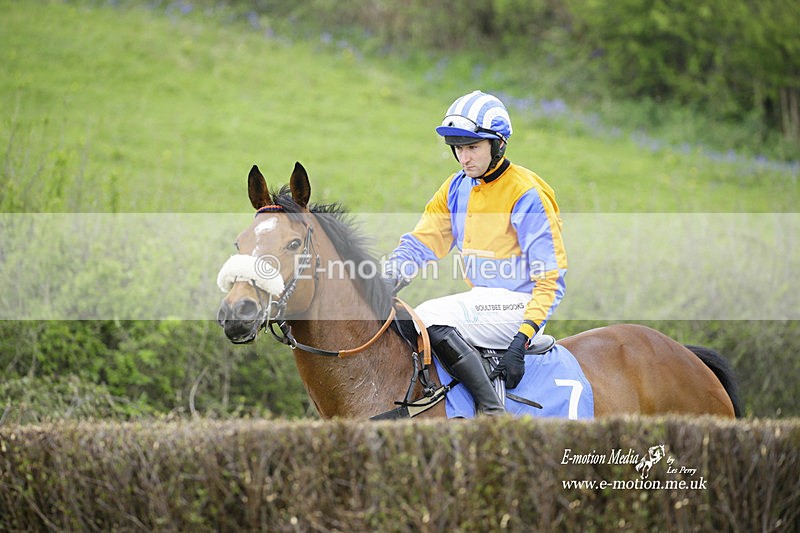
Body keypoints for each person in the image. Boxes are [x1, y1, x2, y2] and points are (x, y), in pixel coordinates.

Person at [385, 90, 568, 416]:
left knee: (429, 317)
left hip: (520, 309)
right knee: (408, 317)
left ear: (498, 145)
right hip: (483, 303)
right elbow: (422, 242)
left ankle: (491, 412)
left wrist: (521, 340)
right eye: (458, 149)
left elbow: (551, 280)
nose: (464, 157)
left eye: (472, 147)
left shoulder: (527, 193)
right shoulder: (456, 187)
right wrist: (388, 277)